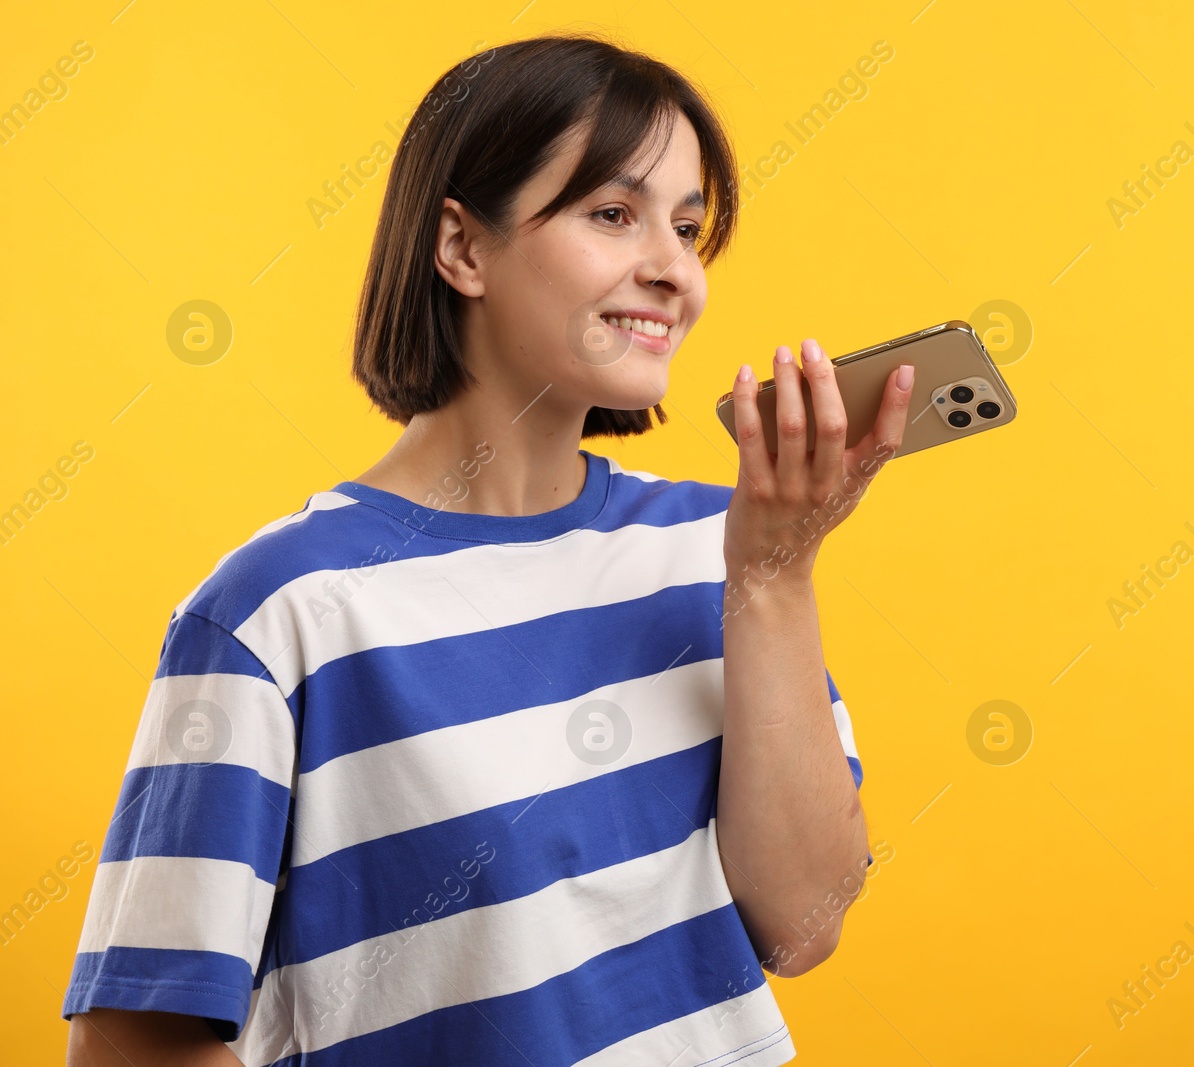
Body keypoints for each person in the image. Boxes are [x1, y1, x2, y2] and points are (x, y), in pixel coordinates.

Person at [61, 32, 913, 1067]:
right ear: (463, 248)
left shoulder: (719, 547)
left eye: (687, 228)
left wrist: (775, 578)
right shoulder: (280, 610)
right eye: (612, 213)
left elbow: (802, 925)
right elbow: (130, 1042)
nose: (672, 271)